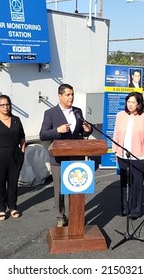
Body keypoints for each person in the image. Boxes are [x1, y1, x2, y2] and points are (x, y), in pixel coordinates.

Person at [39, 83, 92, 227]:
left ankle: (76, 214)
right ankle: (61, 216)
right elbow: (43, 134)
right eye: (68, 94)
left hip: (76, 156)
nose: (71, 97)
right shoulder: (50, 113)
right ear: (60, 96)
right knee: (60, 189)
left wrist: (88, 130)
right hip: (59, 157)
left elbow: (82, 133)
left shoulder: (78, 111)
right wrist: (57, 130)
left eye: (72, 94)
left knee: (76, 186)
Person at [0, 95, 26, 221]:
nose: (5, 107)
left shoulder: (16, 120)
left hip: (15, 156)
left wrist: (22, 152)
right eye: (2, 105)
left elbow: (22, 137)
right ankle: (1, 209)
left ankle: (13, 207)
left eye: (7, 104)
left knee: (13, 183)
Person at [112, 92, 144, 219]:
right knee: (124, 182)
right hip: (122, 154)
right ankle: (125, 208)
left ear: (139, 104)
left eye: (133, 102)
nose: (130, 104)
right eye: (128, 102)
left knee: (137, 183)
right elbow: (116, 134)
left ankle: (136, 210)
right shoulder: (120, 115)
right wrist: (115, 151)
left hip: (138, 155)